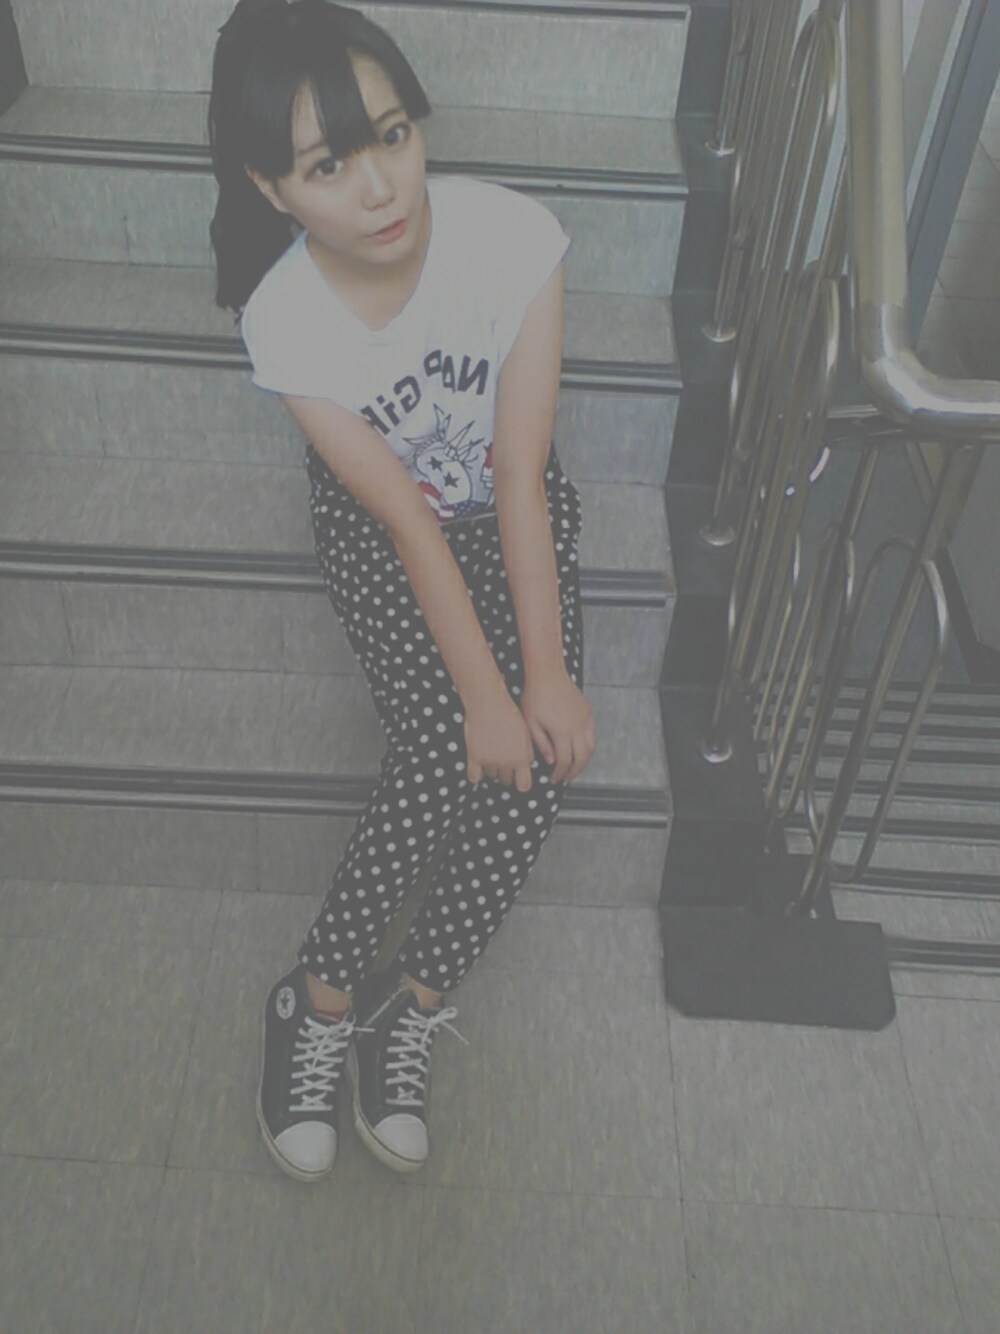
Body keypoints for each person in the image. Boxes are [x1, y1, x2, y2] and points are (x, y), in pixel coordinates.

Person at [208, 0, 596, 1183]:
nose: (380, 187)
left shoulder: (514, 242)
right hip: (388, 533)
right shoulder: (283, 318)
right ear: (272, 187)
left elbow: (518, 474)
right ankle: (318, 997)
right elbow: (408, 521)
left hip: (508, 507)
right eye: (327, 166)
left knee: (535, 759)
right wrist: (477, 696)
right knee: (439, 745)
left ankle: (406, 1002)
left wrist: (541, 676)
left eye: (392, 136)